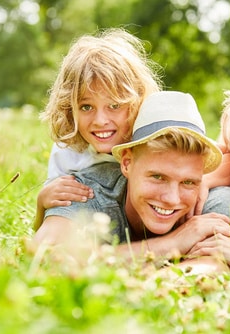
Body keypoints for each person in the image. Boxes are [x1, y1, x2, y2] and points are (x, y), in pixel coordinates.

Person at [33, 91, 230, 268]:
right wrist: (172, 244)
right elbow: (46, 256)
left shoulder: (216, 202)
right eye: (158, 177)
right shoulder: (84, 190)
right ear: (126, 163)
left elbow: (213, 269)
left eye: (189, 182)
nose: (171, 198)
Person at [33, 28, 163, 230]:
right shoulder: (67, 151)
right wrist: (42, 202)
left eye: (114, 106)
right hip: (98, 234)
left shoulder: (152, 140)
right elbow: (48, 224)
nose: (100, 120)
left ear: (136, 101)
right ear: (70, 107)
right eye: (86, 107)